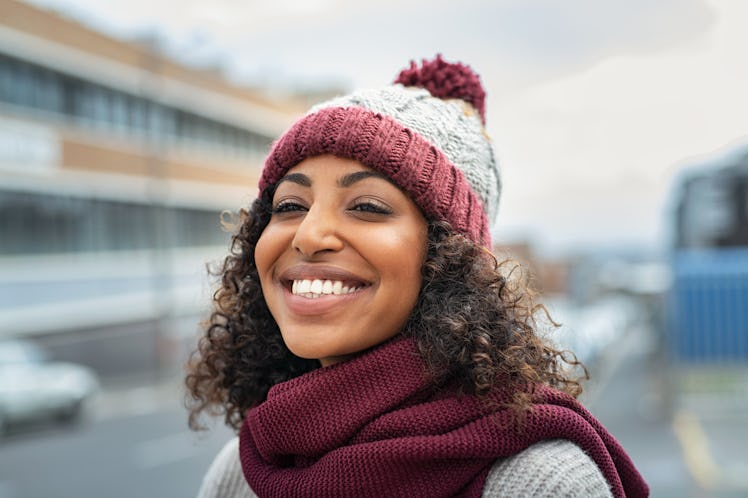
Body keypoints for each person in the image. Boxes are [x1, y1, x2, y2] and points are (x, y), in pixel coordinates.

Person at [185, 55, 649, 498]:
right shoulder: (240, 474)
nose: (308, 235)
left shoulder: (541, 483)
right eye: (289, 206)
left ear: (449, 258)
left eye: (367, 206)